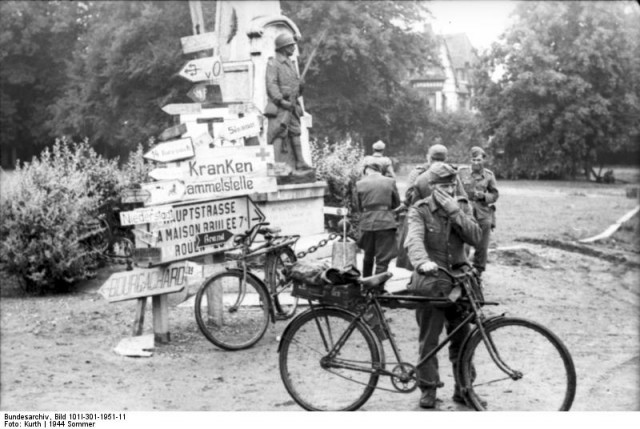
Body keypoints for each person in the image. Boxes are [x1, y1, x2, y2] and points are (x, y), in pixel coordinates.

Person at [404, 162, 482, 409]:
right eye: (442, 185)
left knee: (463, 339)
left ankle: (464, 388)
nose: (448, 189)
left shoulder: (461, 206)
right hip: (431, 282)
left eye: (451, 184)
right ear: (432, 187)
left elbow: (476, 237)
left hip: (459, 284)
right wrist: (422, 262)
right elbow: (413, 240)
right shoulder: (420, 209)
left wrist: (454, 212)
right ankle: (428, 388)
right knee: (428, 341)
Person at [265, 33, 312, 172]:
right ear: (283, 47)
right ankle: (277, 166)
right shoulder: (274, 63)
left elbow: (295, 87)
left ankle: (300, 162)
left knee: (295, 131)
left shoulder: (291, 64)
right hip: (280, 105)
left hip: (292, 103)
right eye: (290, 46)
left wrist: (300, 85)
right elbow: (271, 84)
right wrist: (280, 100)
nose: (293, 48)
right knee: (278, 132)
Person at [355, 160, 401, 277]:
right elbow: (396, 204)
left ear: (367, 170)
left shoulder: (359, 183)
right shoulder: (390, 181)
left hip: (366, 222)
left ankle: (366, 283)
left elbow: (357, 206)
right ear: (380, 170)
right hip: (386, 222)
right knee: (383, 258)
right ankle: (378, 288)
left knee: (368, 255)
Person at [457, 146, 499, 274]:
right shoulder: (461, 172)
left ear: (484, 160)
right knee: (463, 240)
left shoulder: (489, 175)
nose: (476, 162)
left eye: (479, 160)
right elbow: (454, 189)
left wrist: (484, 196)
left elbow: (495, 195)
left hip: (483, 212)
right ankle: (462, 268)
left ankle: (478, 270)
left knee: (482, 244)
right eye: (474, 159)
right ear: (470, 159)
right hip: (465, 210)